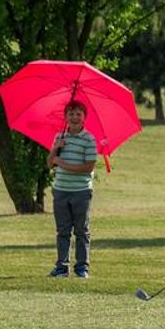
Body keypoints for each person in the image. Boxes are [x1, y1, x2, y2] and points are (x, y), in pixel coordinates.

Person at [47, 100, 98, 278]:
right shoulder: (59, 137)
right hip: (60, 190)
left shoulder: (89, 139)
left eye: (78, 114)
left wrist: (62, 163)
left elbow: (88, 167)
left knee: (81, 230)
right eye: (71, 114)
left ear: (84, 117)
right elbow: (49, 164)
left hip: (81, 191)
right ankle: (62, 267)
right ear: (65, 117)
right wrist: (55, 148)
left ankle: (82, 267)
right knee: (63, 231)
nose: (74, 117)